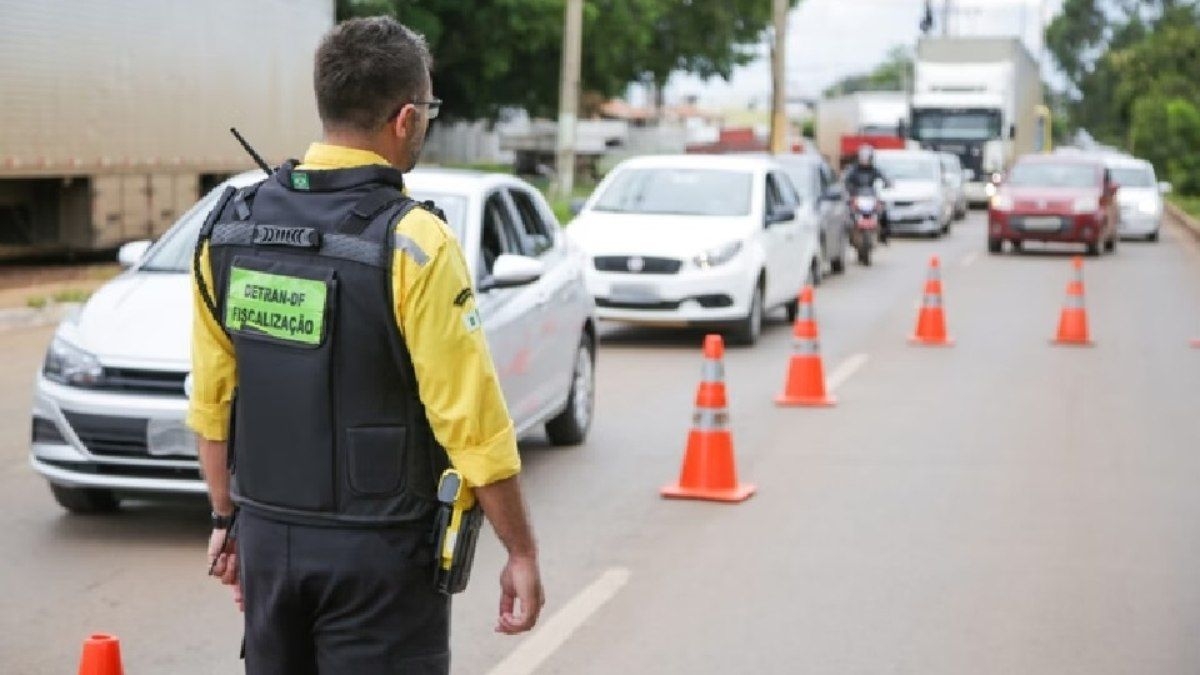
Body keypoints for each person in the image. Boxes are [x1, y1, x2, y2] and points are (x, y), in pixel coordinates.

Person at [187, 17, 543, 674]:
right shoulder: (414, 242)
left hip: (266, 540)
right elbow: (470, 419)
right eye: (429, 109)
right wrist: (520, 550)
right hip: (379, 559)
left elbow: (213, 400)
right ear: (405, 117)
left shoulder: (229, 230)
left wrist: (225, 519)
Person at [843, 144, 891, 243]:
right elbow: (845, 180)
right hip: (856, 196)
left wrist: (887, 183)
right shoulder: (853, 170)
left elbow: (884, 177)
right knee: (846, 213)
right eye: (862, 158)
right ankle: (847, 236)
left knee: (884, 212)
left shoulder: (874, 170)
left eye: (867, 158)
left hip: (871, 196)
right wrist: (848, 187)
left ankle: (884, 236)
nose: (864, 160)